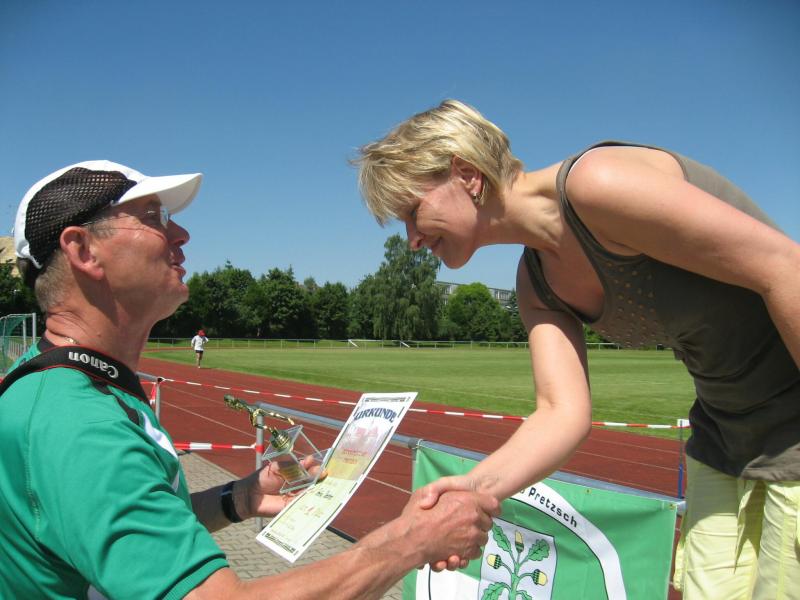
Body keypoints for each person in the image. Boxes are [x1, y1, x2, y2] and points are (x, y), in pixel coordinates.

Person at [355, 100, 800, 599]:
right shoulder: (536, 283)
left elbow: (785, 267)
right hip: (721, 437)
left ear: (467, 175)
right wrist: (471, 491)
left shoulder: (597, 184)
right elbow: (561, 412)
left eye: (412, 212)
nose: (412, 240)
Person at [0, 160, 499, 599]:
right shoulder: (78, 424)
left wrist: (239, 499)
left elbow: (131, 535)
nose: (181, 235)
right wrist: (409, 541)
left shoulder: (71, 386)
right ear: (83, 250)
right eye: (154, 218)